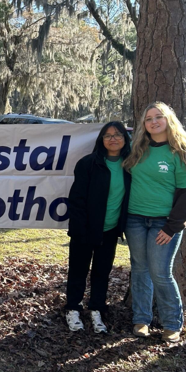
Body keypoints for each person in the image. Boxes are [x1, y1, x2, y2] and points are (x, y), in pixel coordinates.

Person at [122, 102, 186, 343]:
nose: (153, 122)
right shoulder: (138, 149)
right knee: (140, 270)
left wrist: (172, 227)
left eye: (158, 117)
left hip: (164, 223)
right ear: (143, 125)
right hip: (134, 220)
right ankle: (141, 319)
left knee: (160, 273)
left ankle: (172, 323)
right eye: (148, 119)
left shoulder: (181, 152)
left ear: (168, 120)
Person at [65, 122, 131, 333]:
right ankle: (72, 309)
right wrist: (79, 228)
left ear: (125, 139)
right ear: (101, 140)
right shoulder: (88, 164)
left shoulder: (130, 165)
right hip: (84, 229)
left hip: (110, 230)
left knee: (102, 272)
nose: (113, 139)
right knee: (78, 271)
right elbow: (76, 199)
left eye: (118, 134)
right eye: (108, 135)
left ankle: (96, 310)